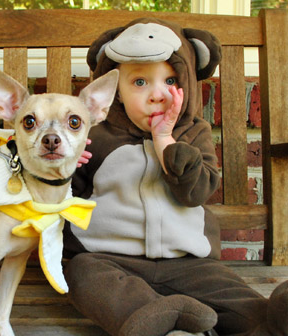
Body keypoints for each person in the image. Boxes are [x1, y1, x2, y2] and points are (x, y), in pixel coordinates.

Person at [64, 17, 288, 336]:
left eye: (170, 81)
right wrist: (64, 169)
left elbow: (196, 193)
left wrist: (167, 143)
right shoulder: (95, 136)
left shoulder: (194, 134)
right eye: (140, 82)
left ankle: (268, 323)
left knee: (232, 294)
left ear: (187, 83)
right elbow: (66, 200)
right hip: (110, 259)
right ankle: (154, 318)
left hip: (189, 262)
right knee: (82, 274)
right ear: (115, 92)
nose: (157, 94)